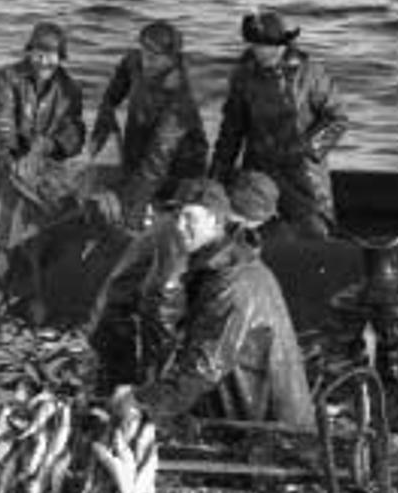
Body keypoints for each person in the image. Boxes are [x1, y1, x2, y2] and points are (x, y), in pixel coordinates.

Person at [126, 178, 313, 431]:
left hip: (269, 429)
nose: (180, 227)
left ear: (216, 221)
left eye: (190, 218)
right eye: (177, 217)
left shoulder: (235, 283)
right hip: (241, 413)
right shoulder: (210, 268)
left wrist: (142, 401)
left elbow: (204, 367)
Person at [85, 169, 280, 392]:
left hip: (131, 323)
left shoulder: (196, 226)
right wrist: (156, 384)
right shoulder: (182, 234)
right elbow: (161, 304)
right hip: (125, 328)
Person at [211, 10, 348, 239]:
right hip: (259, 170)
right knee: (252, 232)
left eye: (261, 45)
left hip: (303, 171)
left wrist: (305, 148)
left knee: (315, 232)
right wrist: (218, 174)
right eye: (253, 44)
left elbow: (337, 118)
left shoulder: (310, 73)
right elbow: (231, 130)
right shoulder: (243, 75)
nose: (255, 50)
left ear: (279, 45)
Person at [0, 21, 87, 280]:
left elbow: (75, 133)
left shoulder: (70, 89)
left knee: (54, 209)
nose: (44, 61)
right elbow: (0, 125)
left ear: (61, 57)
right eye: (38, 53)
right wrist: (15, 155)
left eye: (51, 55)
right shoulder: (7, 78)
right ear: (29, 52)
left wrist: (49, 145)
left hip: (45, 164)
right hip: (9, 159)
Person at [87, 20, 209, 227]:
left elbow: (156, 162)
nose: (145, 62)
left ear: (170, 59)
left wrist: (132, 205)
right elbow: (120, 79)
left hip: (179, 166)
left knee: (141, 210)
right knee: (130, 180)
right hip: (141, 141)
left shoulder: (179, 99)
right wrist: (106, 112)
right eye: (143, 53)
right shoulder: (136, 60)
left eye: (153, 58)